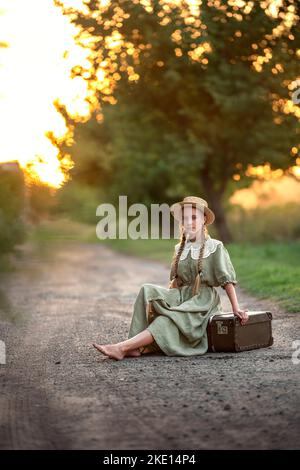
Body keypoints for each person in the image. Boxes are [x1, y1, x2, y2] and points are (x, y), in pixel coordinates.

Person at [93, 196, 249, 360]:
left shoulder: (215, 246)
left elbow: (227, 280)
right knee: (147, 289)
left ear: (204, 219)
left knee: (164, 321)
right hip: (181, 296)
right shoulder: (180, 247)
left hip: (202, 302)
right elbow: (175, 284)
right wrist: (168, 303)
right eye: (185, 218)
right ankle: (135, 346)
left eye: (194, 217)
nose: (189, 222)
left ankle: (122, 347)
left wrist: (235, 308)